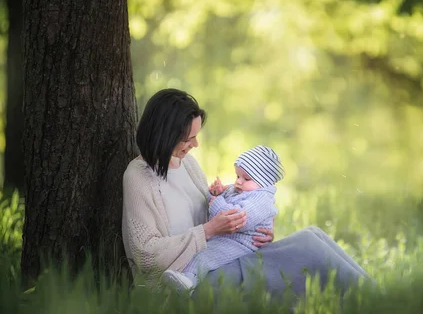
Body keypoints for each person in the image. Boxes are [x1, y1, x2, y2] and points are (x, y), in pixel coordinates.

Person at [122, 88, 369, 299]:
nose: (195, 145)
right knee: (309, 250)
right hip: (183, 285)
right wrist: (209, 230)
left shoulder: (188, 164)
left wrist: (252, 229)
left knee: (314, 236)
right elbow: (145, 256)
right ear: (166, 135)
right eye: (190, 138)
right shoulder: (139, 177)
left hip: (216, 260)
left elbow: (217, 212)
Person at [161, 145, 284, 293]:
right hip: (228, 237)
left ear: (263, 181)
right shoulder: (241, 189)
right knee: (203, 250)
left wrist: (216, 202)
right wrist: (216, 193)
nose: (238, 181)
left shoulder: (261, 199)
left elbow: (236, 219)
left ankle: (189, 280)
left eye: (246, 178)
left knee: (208, 255)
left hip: (242, 244)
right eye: (238, 176)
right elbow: (219, 204)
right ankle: (185, 277)